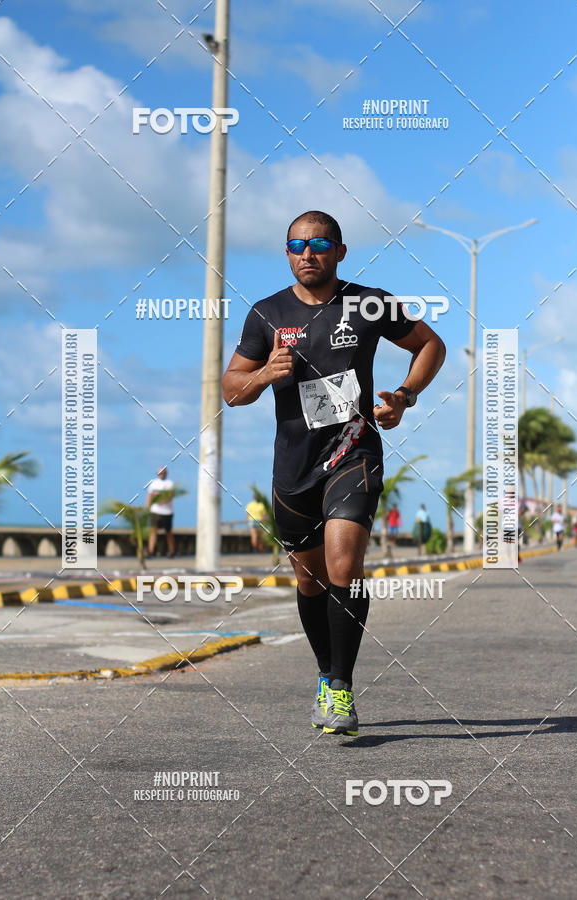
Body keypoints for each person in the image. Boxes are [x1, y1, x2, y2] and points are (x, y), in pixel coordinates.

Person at [222, 210, 445, 735]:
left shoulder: (368, 302)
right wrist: (262, 375)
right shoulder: (266, 314)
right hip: (294, 464)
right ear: (286, 253)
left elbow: (429, 344)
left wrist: (405, 396)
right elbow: (230, 390)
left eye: (319, 243)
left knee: (344, 564)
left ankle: (341, 689)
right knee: (310, 579)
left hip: (354, 450)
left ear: (339, 251)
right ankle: (326, 671)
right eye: (297, 245)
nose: (308, 253)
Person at [145, 466, 175, 558]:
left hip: (167, 512)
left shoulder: (170, 484)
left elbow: (169, 497)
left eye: (163, 472)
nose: (161, 474)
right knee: (153, 531)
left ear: (166, 473)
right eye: (159, 473)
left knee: (168, 532)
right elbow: (150, 496)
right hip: (155, 511)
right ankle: (150, 551)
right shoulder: (153, 483)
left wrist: (160, 500)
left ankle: (171, 551)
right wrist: (147, 507)